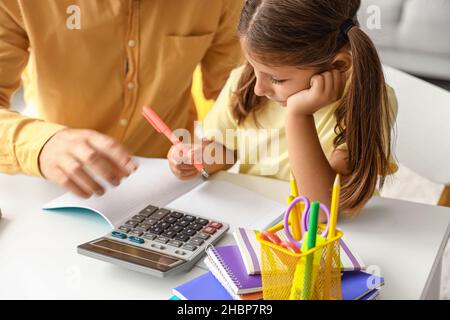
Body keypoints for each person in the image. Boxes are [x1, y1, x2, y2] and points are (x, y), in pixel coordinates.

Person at [168, 0, 398, 214]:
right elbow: (226, 147)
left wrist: (299, 115)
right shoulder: (246, 82)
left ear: (338, 65)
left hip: (334, 239)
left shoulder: (367, 101)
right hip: (259, 218)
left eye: (277, 79)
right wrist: (200, 157)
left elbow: (321, 209)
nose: (259, 88)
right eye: (253, 66)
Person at [0, 0, 244, 198]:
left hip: (171, 185)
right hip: (49, 187)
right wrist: (42, 145)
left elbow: (243, 104)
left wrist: (218, 152)